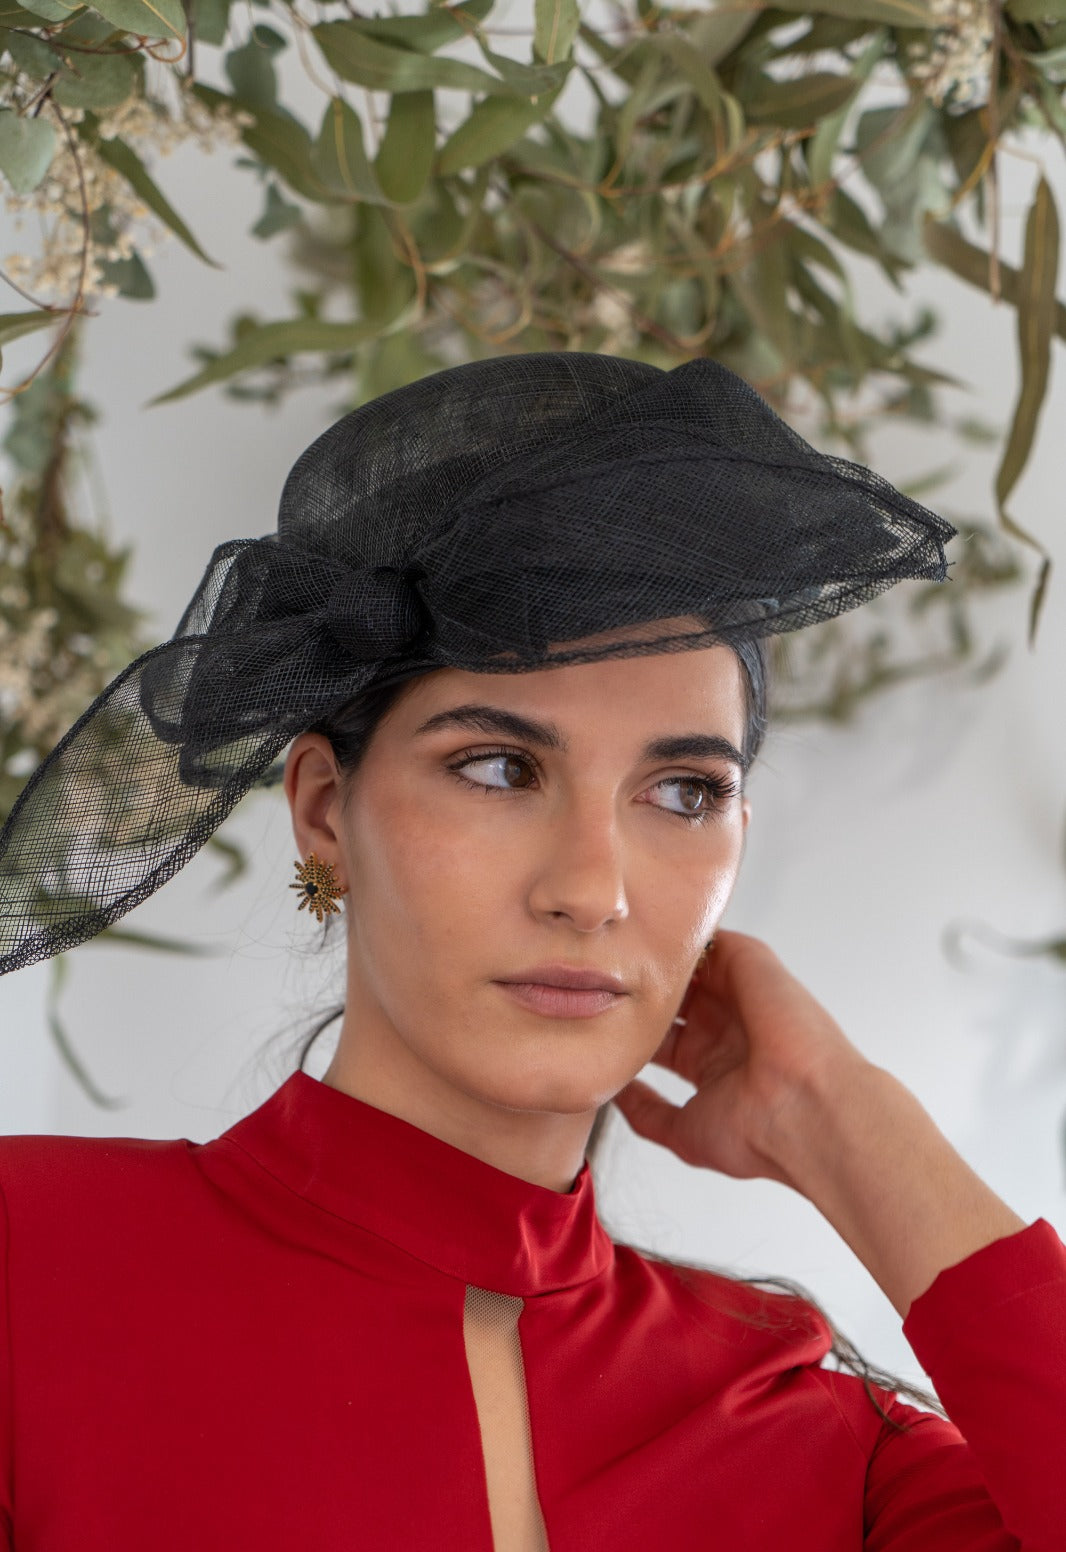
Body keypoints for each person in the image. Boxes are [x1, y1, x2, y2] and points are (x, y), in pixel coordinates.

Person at [0, 352, 1062, 1549]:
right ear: (323, 811)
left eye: (684, 790)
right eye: (499, 767)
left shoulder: (823, 1437)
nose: (591, 890)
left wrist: (853, 1126)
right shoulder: (26, 1267)